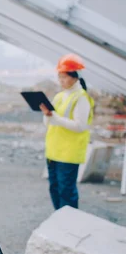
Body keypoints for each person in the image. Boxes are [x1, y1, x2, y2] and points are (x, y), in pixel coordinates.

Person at [40, 53, 94, 210]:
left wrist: (54, 117)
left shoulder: (81, 97)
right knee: (55, 189)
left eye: (64, 77)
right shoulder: (60, 96)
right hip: (54, 151)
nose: (61, 81)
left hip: (69, 153)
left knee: (66, 191)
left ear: (75, 77)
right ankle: (60, 222)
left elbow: (80, 126)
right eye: (59, 77)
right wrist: (48, 116)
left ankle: (70, 225)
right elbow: (49, 123)